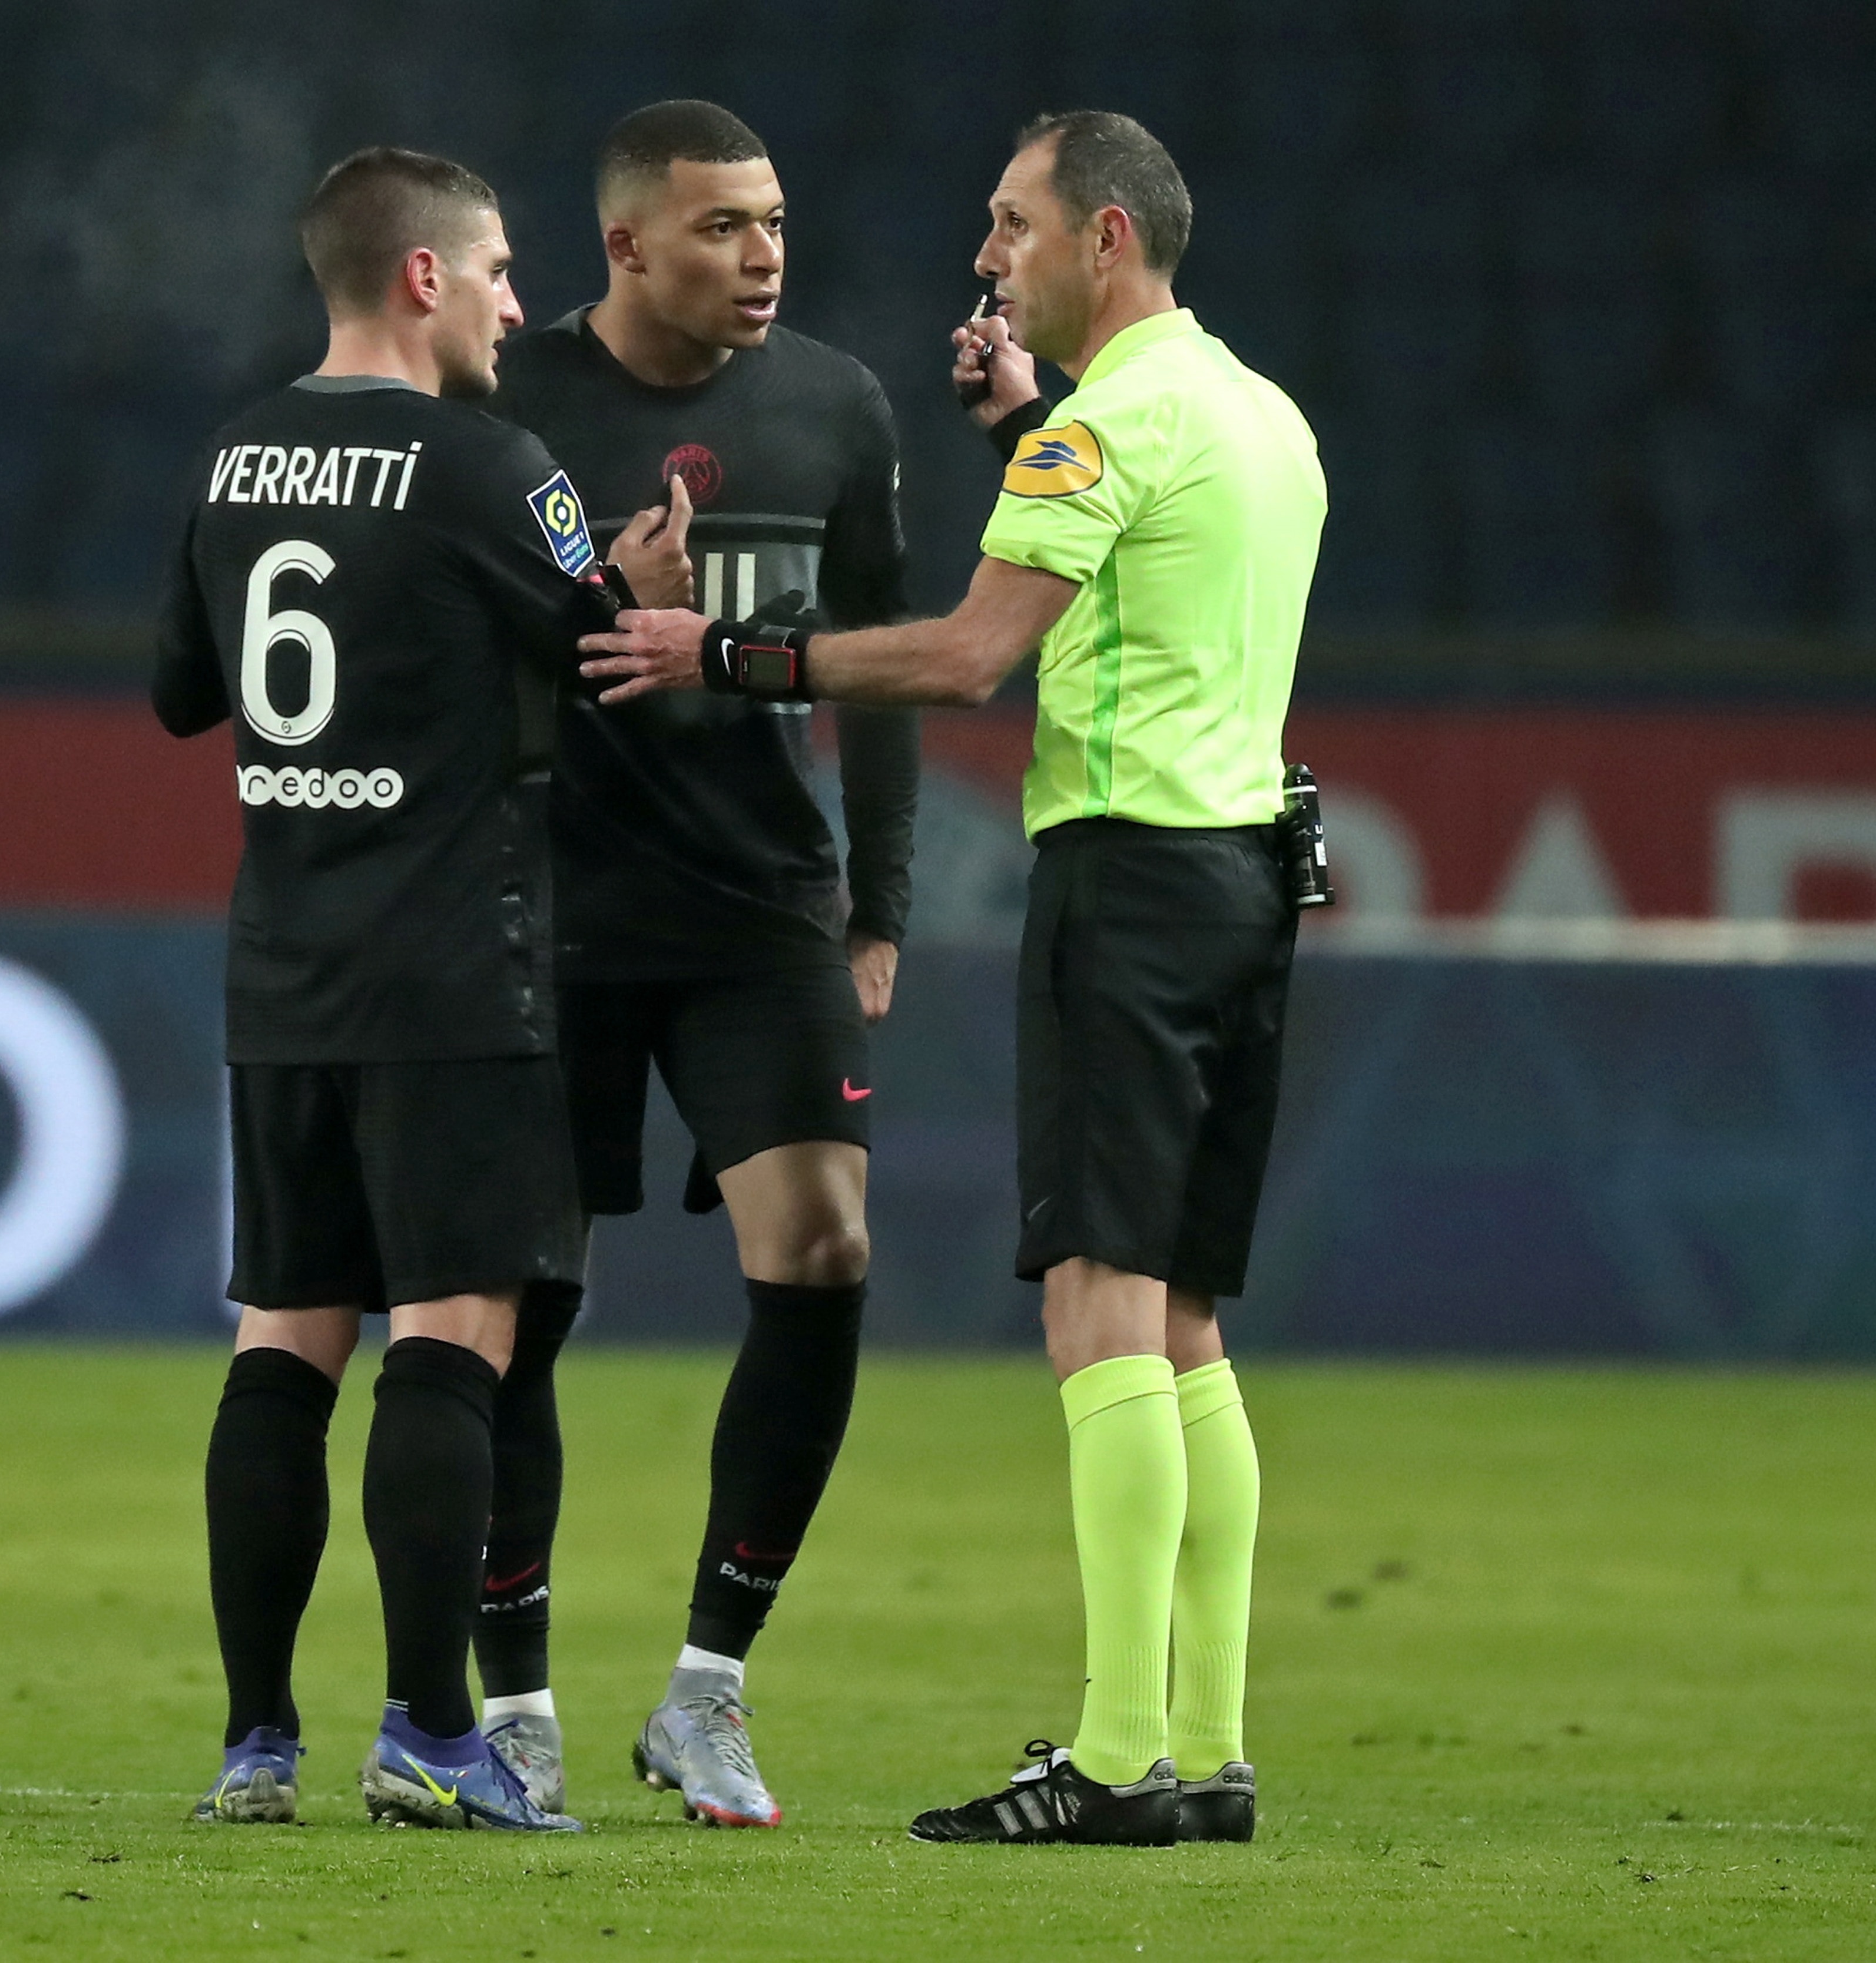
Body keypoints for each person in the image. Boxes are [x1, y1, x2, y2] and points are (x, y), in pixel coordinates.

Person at [580, 109, 1322, 1848]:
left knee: (1097, 1303)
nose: (991, 258)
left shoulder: (1101, 438)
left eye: (1014, 225)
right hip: (1246, 875)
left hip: (1128, 887)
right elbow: (1148, 545)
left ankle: (1122, 1755)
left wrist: (726, 650)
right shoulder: (1253, 413)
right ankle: (1205, 1747)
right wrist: (1039, 431)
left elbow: (973, 656)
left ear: (1106, 241)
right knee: (1189, 1321)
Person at [153, 145, 690, 1833]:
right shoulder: (489, 464)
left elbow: (186, 691)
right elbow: (616, 653)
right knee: (452, 1344)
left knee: (284, 1345)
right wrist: (645, 591)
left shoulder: (233, 456)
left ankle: (255, 1745)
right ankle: (434, 1735)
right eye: (505, 272)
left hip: (284, 970)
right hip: (458, 974)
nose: (524, 307)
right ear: (423, 280)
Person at [475, 98, 917, 1829]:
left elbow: (876, 659)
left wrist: (875, 911)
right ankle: (514, 1701)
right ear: (627, 247)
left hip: (760, 914)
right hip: (554, 917)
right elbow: (451, 658)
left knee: (823, 1248)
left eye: (778, 224)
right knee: (520, 1306)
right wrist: (600, 609)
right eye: (726, 226)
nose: (765, 257)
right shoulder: (509, 409)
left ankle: (710, 1687)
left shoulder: (833, 404)